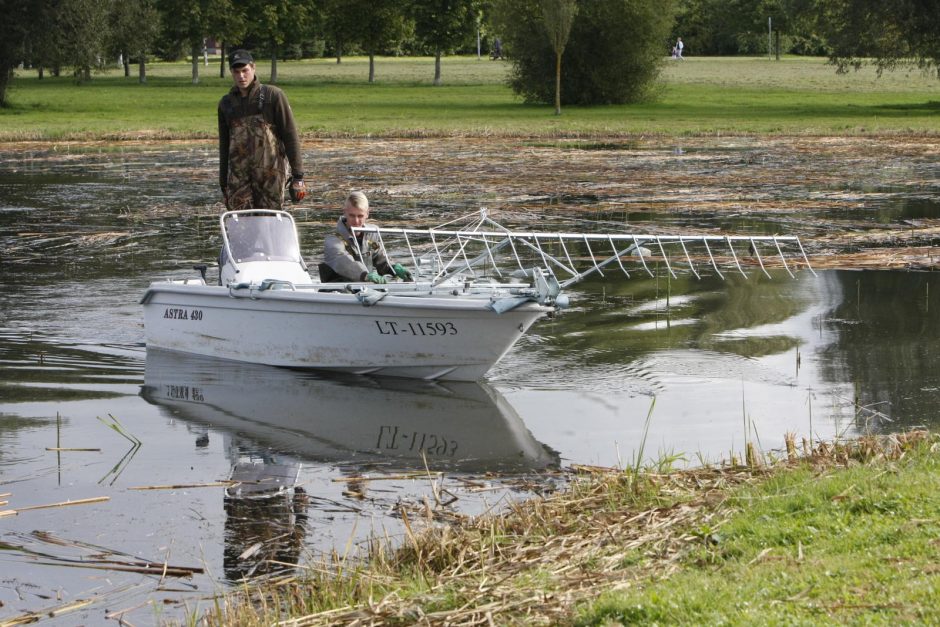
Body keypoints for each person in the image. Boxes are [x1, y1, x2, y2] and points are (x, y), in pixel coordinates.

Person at [218, 49, 305, 211]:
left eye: (245, 71)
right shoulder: (226, 104)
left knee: (270, 221)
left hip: (271, 176)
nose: (241, 76)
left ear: (253, 68)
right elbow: (224, 145)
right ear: (231, 72)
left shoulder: (273, 96)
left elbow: (290, 135)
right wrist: (223, 182)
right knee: (240, 223)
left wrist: (298, 176)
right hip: (239, 177)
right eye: (236, 72)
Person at [320, 191, 412, 284]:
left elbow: (379, 255)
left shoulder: (372, 233)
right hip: (339, 289)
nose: (356, 221)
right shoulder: (332, 240)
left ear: (367, 214)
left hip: (365, 287)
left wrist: (393, 267)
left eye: (360, 216)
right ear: (345, 212)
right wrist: (365, 275)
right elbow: (343, 262)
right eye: (352, 215)